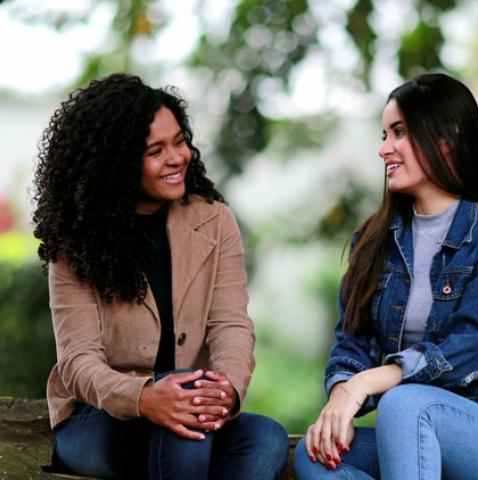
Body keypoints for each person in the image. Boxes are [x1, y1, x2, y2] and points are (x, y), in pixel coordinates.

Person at [294, 73, 478, 479]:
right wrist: (340, 399)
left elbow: (461, 353)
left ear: (446, 138)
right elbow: (352, 342)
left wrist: (366, 384)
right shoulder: (372, 241)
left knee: (405, 402)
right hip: (416, 432)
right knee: (317, 454)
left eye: (398, 132)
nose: (384, 149)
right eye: (384, 134)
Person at [33, 73, 288, 479]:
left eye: (179, 141)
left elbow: (232, 324)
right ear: (116, 165)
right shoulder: (77, 237)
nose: (177, 157)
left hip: (190, 414)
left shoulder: (213, 220)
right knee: (186, 427)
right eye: (155, 150)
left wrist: (225, 389)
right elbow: (78, 362)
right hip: (100, 420)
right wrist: (145, 397)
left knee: (266, 439)